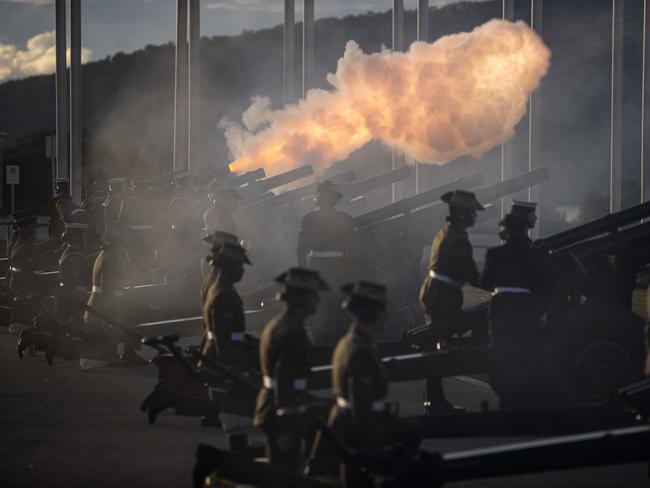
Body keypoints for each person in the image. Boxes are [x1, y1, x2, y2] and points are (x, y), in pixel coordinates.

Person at [253, 267, 328, 473]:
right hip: (281, 412)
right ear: (304, 299)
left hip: (276, 406)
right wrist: (286, 427)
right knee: (284, 474)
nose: (318, 301)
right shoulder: (293, 332)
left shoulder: (281, 324)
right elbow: (284, 381)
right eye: (315, 296)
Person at [418, 189, 484, 412]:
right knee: (440, 349)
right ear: (463, 215)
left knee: (436, 347)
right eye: (472, 213)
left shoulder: (447, 232)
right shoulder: (458, 240)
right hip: (442, 297)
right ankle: (435, 402)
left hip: (436, 292)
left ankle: (434, 400)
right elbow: (472, 276)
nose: (475, 216)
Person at [480, 213, 552, 408]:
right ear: (524, 229)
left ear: (507, 231)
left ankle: (506, 399)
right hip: (525, 308)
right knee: (525, 353)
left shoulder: (495, 253)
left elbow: (485, 282)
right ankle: (525, 400)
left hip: (501, 308)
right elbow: (543, 286)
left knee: (502, 354)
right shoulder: (534, 254)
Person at [297, 180, 357, 343]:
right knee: (328, 310)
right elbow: (353, 250)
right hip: (334, 268)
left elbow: (301, 250)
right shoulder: (346, 219)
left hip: (321, 267)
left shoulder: (308, 219)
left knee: (326, 310)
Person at [200, 240, 250, 365]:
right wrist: (231, 368)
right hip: (219, 361)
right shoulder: (224, 295)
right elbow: (222, 338)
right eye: (239, 265)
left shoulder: (222, 286)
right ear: (228, 266)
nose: (242, 270)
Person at [57, 210, 96, 323]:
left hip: (70, 303)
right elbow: (76, 290)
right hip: (74, 308)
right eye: (85, 235)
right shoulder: (75, 257)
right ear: (77, 237)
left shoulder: (71, 253)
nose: (87, 239)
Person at [7, 209, 41, 295]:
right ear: (27, 229)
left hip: (14, 285)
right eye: (34, 228)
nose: (36, 231)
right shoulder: (28, 246)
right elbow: (28, 273)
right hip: (23, 290)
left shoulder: (14, 242)